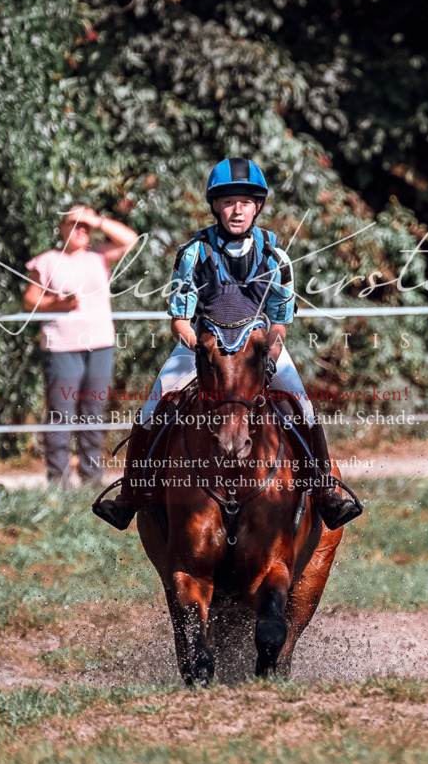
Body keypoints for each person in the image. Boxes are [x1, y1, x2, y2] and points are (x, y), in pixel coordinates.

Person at [93, 157, 362, 530]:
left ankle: (325, 493)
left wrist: (270, 351)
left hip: (257, 349)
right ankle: (130, 495)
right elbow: (179, 322)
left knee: (303, 407)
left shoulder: (276, 257)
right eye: (229, 201)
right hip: (202, 347)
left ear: (258, 207)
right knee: (151, 409)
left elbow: (280, 323)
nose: (238, 210)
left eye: (246, 202)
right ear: (216, 206)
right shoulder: (193, 253)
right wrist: (202, 348)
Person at [23, 205, 138, 486]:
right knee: (60, 413)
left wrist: (97, 219)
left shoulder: (99, 256)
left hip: (99, 345)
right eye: (74, 224)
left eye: (86, 226)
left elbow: (131, 240)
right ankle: (58, 479)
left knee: (93, 412)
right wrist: (58, 304)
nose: (82, 230)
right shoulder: (46, 261)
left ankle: (92, 477)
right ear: (61, 228)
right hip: (61, 346)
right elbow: (29, 301)